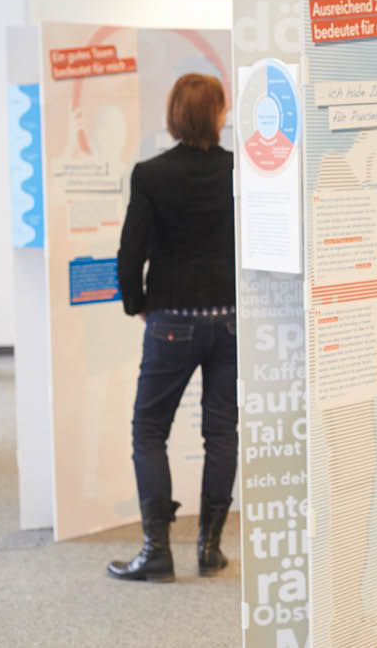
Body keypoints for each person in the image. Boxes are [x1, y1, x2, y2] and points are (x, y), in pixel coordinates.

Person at [109, 73, 237, 583]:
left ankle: (156, 551)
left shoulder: (151, 174)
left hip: (171, 321)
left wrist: (137, 305)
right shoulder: (237, 170)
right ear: (219, 114)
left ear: (174, 115)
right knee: (221, 432)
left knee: (148, 431)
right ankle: (209, 549)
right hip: (230, 320)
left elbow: (129, 253)